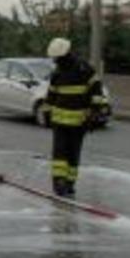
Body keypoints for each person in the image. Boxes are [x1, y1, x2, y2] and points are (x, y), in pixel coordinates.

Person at [44, 37, 105, 198]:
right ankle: (61, 183)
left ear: (64, 55)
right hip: (65, 123)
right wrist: (47, 113)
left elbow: (97, 93)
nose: (55, 60)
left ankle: (68, 184)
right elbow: (51, 95)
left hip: (78, 122)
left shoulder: (85, 70)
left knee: (69, 154)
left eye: (56, 57)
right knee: (63, 154)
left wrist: (95, 113)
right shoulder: (58, 72)